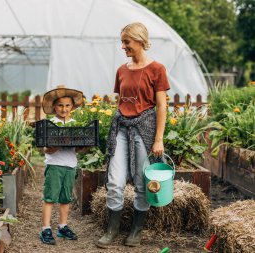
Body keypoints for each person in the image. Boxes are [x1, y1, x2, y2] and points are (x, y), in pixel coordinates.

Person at [96, 22, 170, 248]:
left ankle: (136, 230)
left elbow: (161, 106)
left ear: (139, 40)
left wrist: (158, 139)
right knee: (115, 181)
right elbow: (121, 101)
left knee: (141, 182)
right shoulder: (122, 70)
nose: (123, 47)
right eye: (122, 42)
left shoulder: (157, 69)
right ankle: (112, 229)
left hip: (144, 130)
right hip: (121, 128)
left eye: (126, 42)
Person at [39, 87, 88, 245]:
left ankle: (62, 226)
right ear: (54, 107)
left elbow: (79, 149)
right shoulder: (51, 124)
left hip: (70, 166)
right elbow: (47, 149)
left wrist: (85, 146)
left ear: (72, 107)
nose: (64, 109)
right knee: (50, 198)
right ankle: (45, 228)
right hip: (55, 165)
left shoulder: (76, 125)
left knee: (65, 198)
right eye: (60, 105)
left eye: (67, 105)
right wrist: (57, 144)